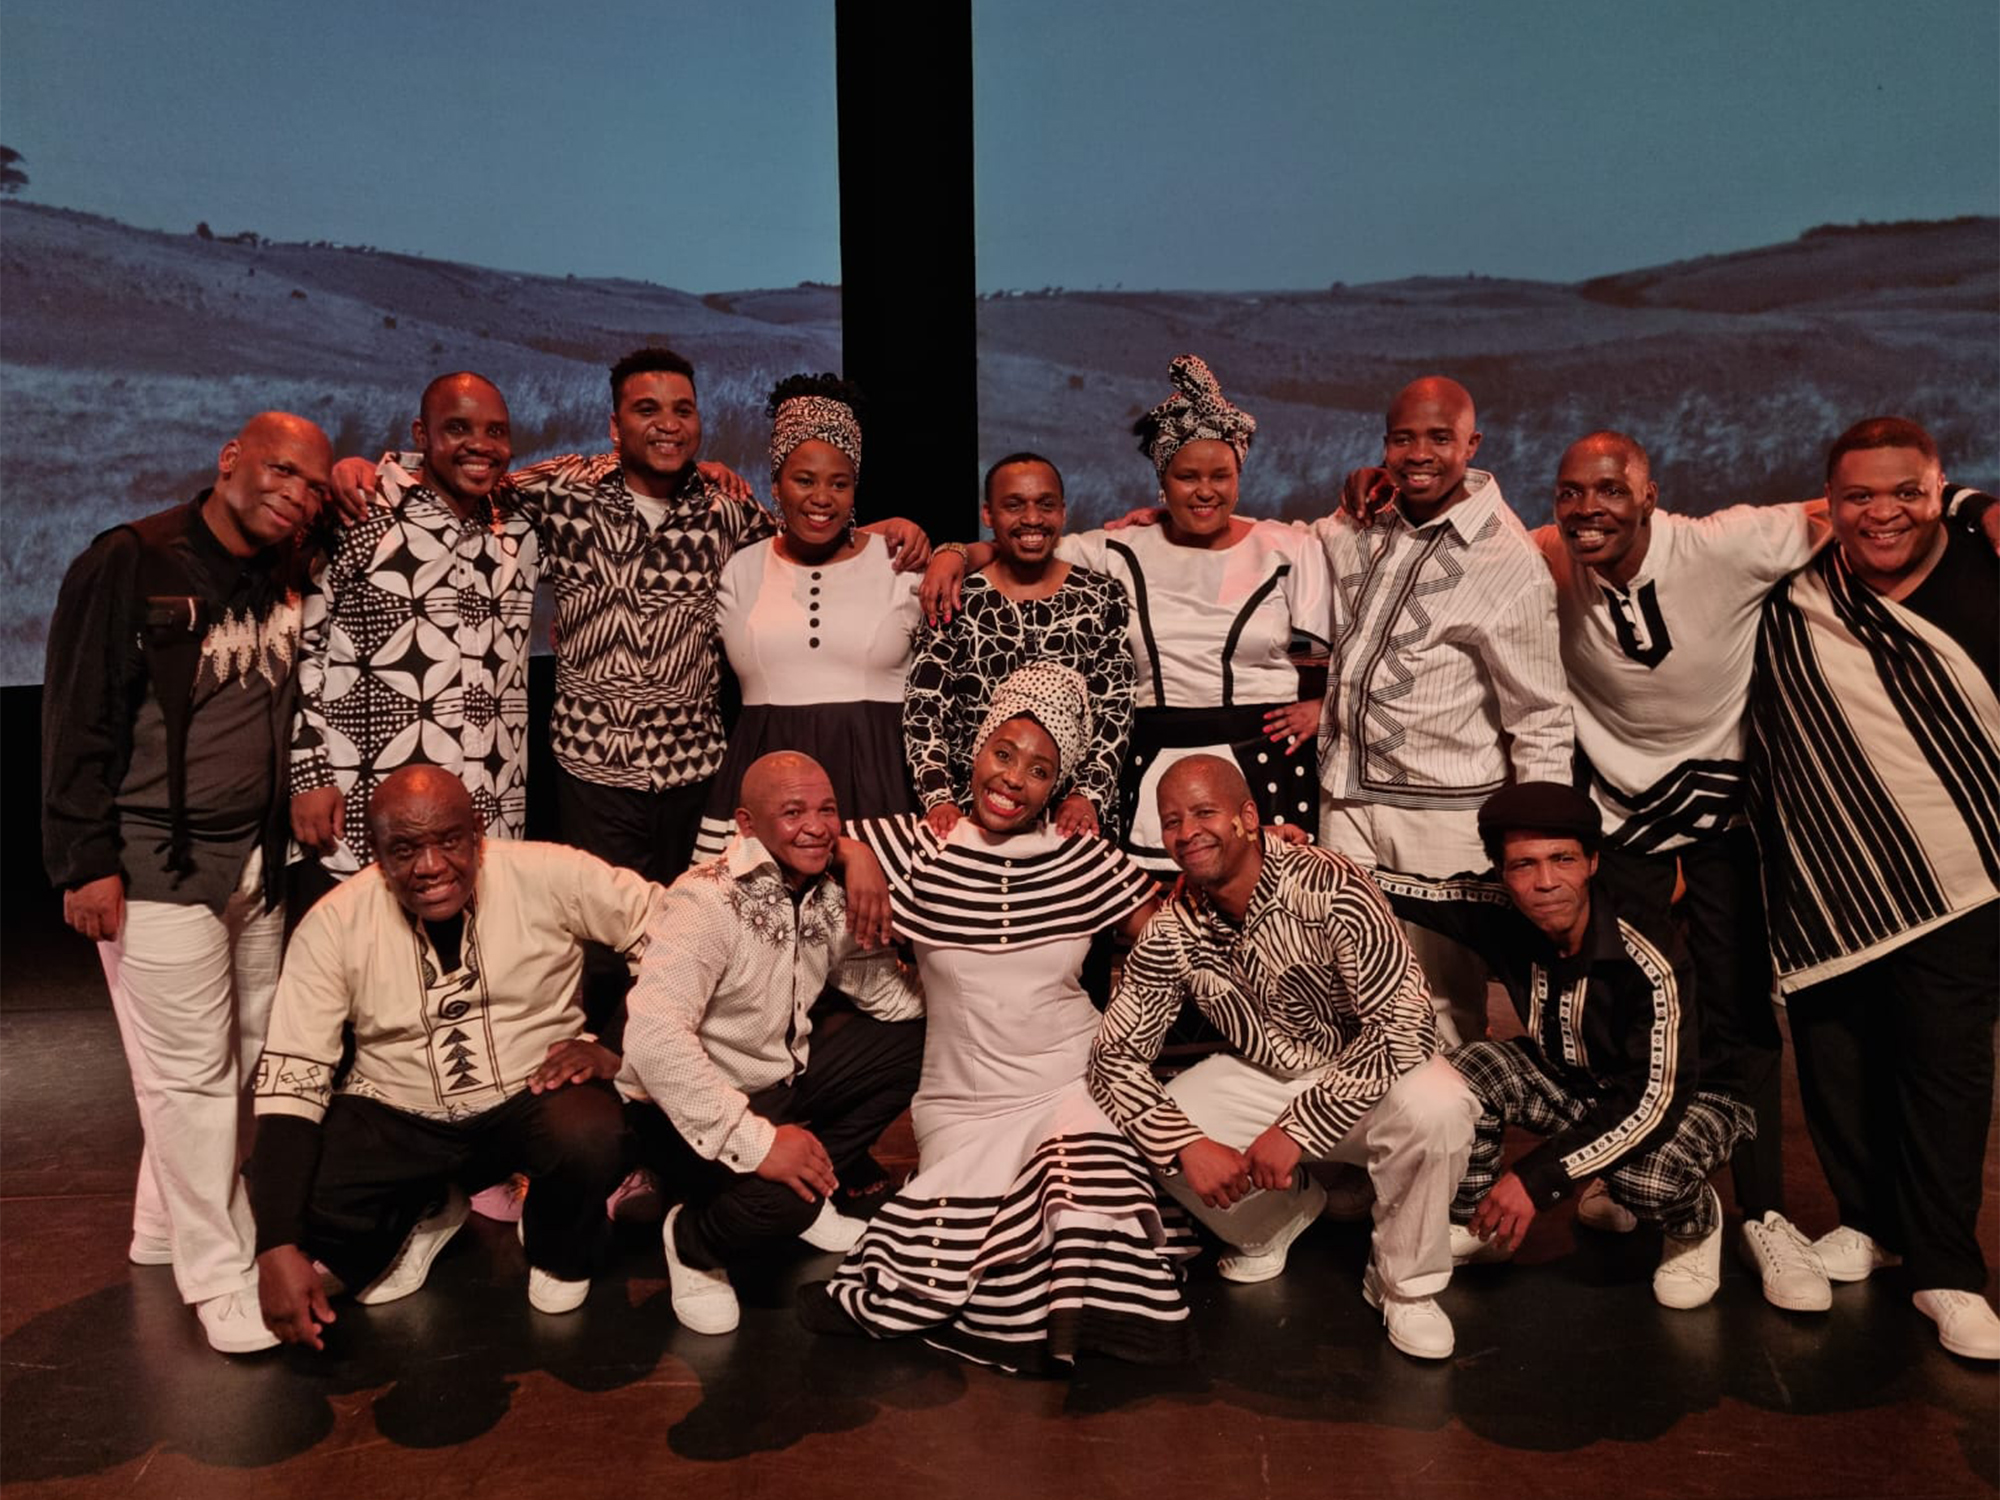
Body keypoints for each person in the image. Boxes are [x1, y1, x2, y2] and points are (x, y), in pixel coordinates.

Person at [1536, 430, 2000, 1305]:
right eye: (1571, 493)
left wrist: (1978, 503)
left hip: (1761, 831)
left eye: (1611, 490)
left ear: (1650, 493)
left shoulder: (1734, 544)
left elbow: (1867, 509)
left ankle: (1781, 1218)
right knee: (1633, 1016)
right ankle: (1657, 1188)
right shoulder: (1552, 554)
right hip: (1676, 834)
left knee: (1758, 1025)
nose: (1589, 509)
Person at [332, 346, 930, 889]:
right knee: (603, 941)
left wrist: (909, 537)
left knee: (694, 933)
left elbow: (808, 528)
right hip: (594, 769)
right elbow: (474, 473)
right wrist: (378, 471)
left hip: (695, 769)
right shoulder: (562, 490)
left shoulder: (726, 511)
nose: (668, 423)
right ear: (616, 427)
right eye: (647, 409)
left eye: (683, 410)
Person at [802, 664, 1198, 1374]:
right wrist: (853, 853)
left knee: (1079, 1195)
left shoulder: (1080, 856)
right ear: (977, 752)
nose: (1013, 779)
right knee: (957, 1255)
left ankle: (1088, 1325)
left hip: (1073, 1080)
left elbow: (1173, 934)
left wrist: (1263, 862)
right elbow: (801, 831)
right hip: (964, 1102)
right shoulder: (919, 845)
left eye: (1039, 770)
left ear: (1057, 786)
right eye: (1003, 754)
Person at [41, 412, 332, 1353]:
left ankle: (162, 1226)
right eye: (281, 470)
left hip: (252, 863)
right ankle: (221, 1278)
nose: (297, 493)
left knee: (242, 1060)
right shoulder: (131, 560)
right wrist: (84, 862)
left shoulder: (283, 568)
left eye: (313, 483)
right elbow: (77, 720)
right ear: (229, 459)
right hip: (153, 866)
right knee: (190, 1081)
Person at [245, 767, 662, 1348]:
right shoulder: (334, 923)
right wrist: (275, 1245)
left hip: (532, 1093)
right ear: (376, 854)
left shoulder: (548, 872)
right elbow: (293, 1082)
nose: (431, 866)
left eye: (448, 841)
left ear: (477, 833)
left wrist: (614, 1045)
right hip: (399, 1110)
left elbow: (671, 929)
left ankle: (557, 1244)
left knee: (593, 1134)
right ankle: (422, 1211)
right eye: (405, 850)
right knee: (294, 1191)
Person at [1748, 416, 2000, 1361]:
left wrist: (1977, 506)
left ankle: (1947, 1268)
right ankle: (1870, 1221)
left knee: (1943, 1072)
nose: (1883, 512)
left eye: (1908, 492)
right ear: (1829, 503)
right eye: (1859, 496)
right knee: (1835, 1058)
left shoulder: (1985, 570)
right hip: (1831, 871)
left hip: (1964, 876)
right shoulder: (1798, 580)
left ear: (1939, 489)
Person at [1088, 754, 1477, 1361]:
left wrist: (1299, 1128)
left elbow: (1404, 1023)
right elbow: (1113, 1057)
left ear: (1248, 818)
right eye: (1172, 821)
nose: (1187, 832)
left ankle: (1405, 1285)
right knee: (1134, 1120)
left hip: (1366, 1074)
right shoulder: (1173, 927)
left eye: (1204, 812)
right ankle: (1274, 1218)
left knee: (1441, 1102)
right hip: (1273, 1077)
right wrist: (1185, 1144)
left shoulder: (1330, 881)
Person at [923, 356, 1330, 876]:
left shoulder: (1288, 547)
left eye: (1220, 476)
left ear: (1239, 476)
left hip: (1264, 759)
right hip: (1153, 756)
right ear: (1162, 480)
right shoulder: (1119, 547)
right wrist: (954, 553)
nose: (1205, 490)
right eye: (1187, 476)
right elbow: (1026, 543)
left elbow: (1350, 653)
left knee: (1268, 903)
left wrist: (1324, 708)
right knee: (1157, 911)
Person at [1372, 782, 1754, 1310]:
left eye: (1563, 859)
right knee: (1464, 1072)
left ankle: (1694, 1223)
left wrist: (1535, 1179)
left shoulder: (1648, 952)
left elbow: (1653, 1102)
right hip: (1577, 1079)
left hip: (1687, 1098)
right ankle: (1481, 1222)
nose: (1546, 881)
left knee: (1647, 1179)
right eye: (1523, 865)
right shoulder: (1499, 908)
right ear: (1502, 873)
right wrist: (1299, 851)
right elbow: (1405, 890)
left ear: (1592, 862)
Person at [621, 751, 925, 1335]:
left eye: (827, 810)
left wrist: (972, 989)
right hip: (681, 1109)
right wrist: (758, 1144)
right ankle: (692, 1242)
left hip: (777, 1084)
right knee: (784, 1199)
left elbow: (884, 995)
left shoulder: (825, 895)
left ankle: (807, 1184)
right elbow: (654, 1039)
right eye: (792, 812)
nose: (815, 826)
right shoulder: (705, 898)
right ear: (746, 824)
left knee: (917, 1044)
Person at [1318, 377, 1571, 1046]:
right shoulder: (1370, 521)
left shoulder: (1506, 560)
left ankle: (1452, 1116)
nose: (1420, 454)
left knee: (1438, 1008)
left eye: (1439, 438)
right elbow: (1287, 547)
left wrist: (1542, 841)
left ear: (1472, 444)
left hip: (1443, 820)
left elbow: (1541, 716)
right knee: (1344, 988)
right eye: (1403, 439)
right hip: (1346, 802)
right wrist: (1157, 524)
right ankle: (1350, 1114)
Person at [290, 372, 537, 879]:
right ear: (421, 434)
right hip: (370, 810)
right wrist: (309, 773)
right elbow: (301, 650)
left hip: (491, 815)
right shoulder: (359, 512)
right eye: (458, 428)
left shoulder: (519, 525)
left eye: (496, 431)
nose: (480, 444)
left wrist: (700, 471)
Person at [688, 375, 925, 861]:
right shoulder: (740, 568)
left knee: (873, 909)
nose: (822, 497)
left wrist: (956, 550)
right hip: (767, 792)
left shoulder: (900, 564)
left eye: (839, 483)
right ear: (776, 485)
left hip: (879, 793)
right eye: (804, 480)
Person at [903, 451, 1135, 840]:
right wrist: (938, 798)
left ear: (1063, 512)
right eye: (1014, 505)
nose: (1032, 519)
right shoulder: (959, 597)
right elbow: (925, 707)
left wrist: (1088, 795)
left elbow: (1115, 707)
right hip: (969, 818)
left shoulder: (1100, 597)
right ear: (988, 514)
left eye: (1046, 505)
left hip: (1069, 822)